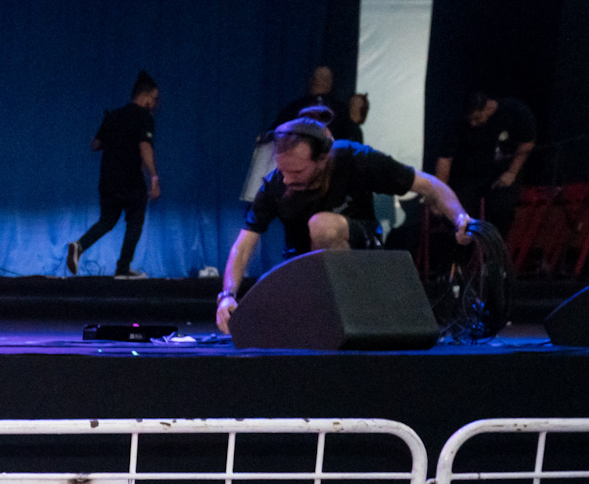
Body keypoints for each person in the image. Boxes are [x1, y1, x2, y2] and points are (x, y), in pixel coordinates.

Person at [217, 107, 473, 333]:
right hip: (308, 267)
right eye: (282, 170)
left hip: (363, 257)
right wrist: (227, 295)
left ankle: (348, 311)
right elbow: (244, 245)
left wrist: (461, 218)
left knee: (322, 225)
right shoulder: (276, 184)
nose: (287, 179)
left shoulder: (355, 159)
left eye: (297, 171)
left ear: (322, 158)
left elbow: (429, 185)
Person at [67, 71, 160, 277]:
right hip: (129, 177)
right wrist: (154, 177)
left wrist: (115, 137)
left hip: (108, 178)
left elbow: (95, 144)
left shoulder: (113, 116)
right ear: (144, 96)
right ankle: (122, 268)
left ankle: (79, 246)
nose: (155, 104)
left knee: (107, 220)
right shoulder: (144, 117)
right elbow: (145, 147)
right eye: (154, 99)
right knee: (135, 221)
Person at [436, 93, 537, 236]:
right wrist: (439, 194)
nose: (473, 123)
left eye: (477, 118)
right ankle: (461, 248)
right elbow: (445, 159)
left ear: (488, 108)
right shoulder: (458, 122)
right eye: (470, 119)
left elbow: (527, 142)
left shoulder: (514, 111)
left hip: (502, 172)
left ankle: (494, 246)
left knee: (501, 208)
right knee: (457, 212)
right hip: (469, 173)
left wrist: (512, 172)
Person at [274, 66, 345, 127]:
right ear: (311, 80)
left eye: (325, 79)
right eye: (316, 78)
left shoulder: (340, 110)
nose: (320, 82)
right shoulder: (294, 108)